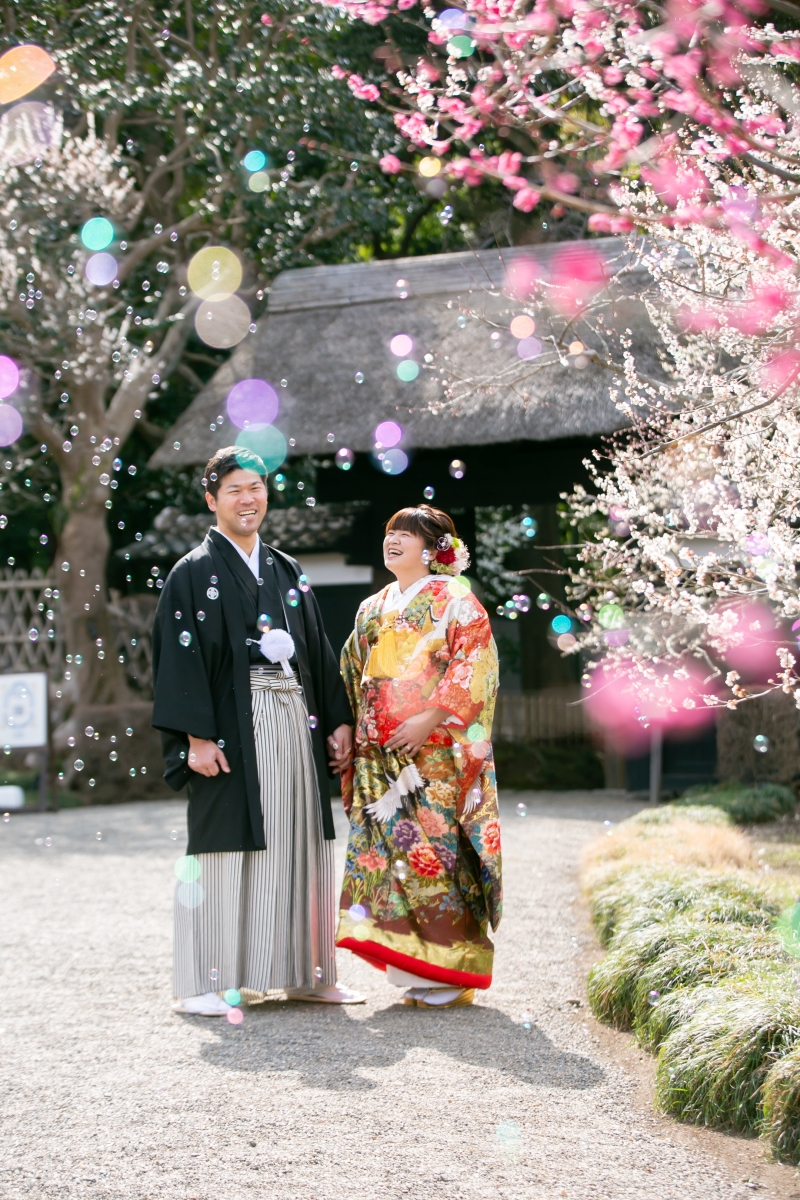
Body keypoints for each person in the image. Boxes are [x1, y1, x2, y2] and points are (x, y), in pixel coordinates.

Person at [151, 446, 363, 1015]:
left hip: (293, 716)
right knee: (223, 847)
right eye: (235, 490)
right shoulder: (192, 572)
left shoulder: (285, 568)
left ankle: (305, 973)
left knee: (300, 837)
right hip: (230, 726)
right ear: (211, 499)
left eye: (257, 488)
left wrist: (337, 719)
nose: (248, 499)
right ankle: (202, 982)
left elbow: (316, 647)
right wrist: (195, 738)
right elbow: (177, 658)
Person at [336, 504, 502, 1008]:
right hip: (379, 755)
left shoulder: (456, 599)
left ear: (433, 550)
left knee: (437, 855)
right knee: (392, 858)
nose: (393, 539)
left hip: (434, 755)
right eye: (391, 531)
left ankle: (452, 970)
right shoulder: (372, 606)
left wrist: (429, 718)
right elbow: (352, 673)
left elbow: (474, 665)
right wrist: (351, 732)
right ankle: (414, 966)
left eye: (406, 534)